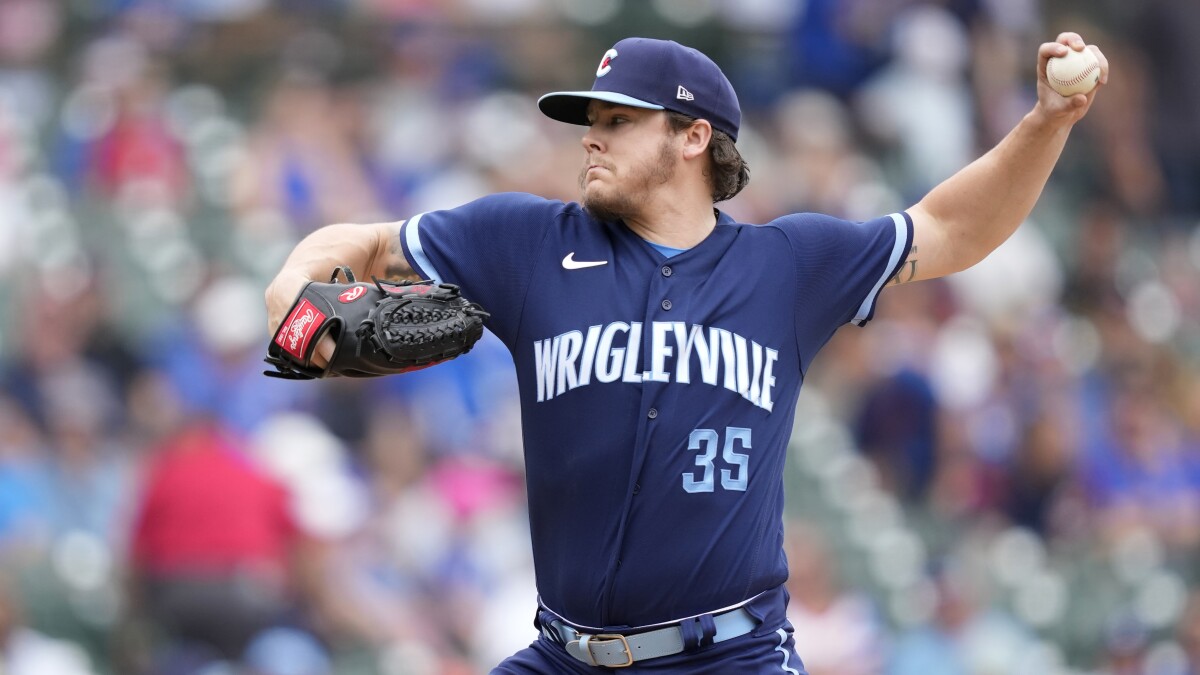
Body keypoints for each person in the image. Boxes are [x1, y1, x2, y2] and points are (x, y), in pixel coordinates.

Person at [265, 34, 1108, 674]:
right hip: (563, 653)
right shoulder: (525, 242)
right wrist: (294, 302)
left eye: (618, 121)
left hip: (729, 655)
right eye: (589, 121)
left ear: (694, 137)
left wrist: (1046, 122)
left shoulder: (787, 266)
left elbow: (952, 228)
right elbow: (366, 243)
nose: (591, 138)